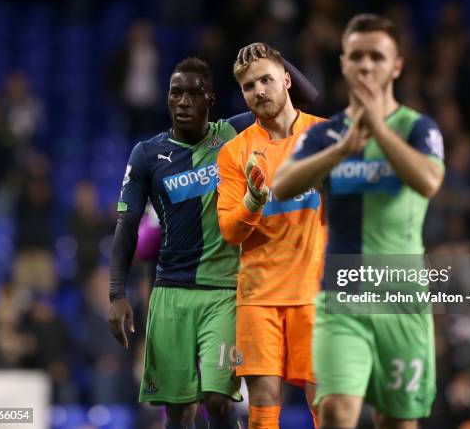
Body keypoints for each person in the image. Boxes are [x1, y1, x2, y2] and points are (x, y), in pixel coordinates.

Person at [109, 52, 318, 429]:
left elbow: (305, 99)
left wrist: (274, 59)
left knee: (218, 400)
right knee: (177, 411)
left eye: (193, 93)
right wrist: (116, 293)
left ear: (211, 98)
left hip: (226, 291)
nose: (183, 102)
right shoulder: (147, 155)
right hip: (171, 291)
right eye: (175, 93)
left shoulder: (233, 134)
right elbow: (127, 225)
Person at [273, 14, 445, 429]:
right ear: (344, 63)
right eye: (357, 56)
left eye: (376, 56)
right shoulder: (323, 137)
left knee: (397, 422)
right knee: (335, 412)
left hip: (402, 302)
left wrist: (378, 130)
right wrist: (343, 149)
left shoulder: (418, 128)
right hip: (342, 299)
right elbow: (280, 185)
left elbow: (428, 180)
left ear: (396, 66)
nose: (366, 65)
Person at [216, 43, 326, 429]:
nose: (259, 90)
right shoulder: (234, 152)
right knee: (263, 404)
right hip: (258, 295)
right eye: (249, 86)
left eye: (266, 79)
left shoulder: (324, 136)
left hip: (315, 293)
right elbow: (230, 230)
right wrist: (252, 200)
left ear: (287, 79)